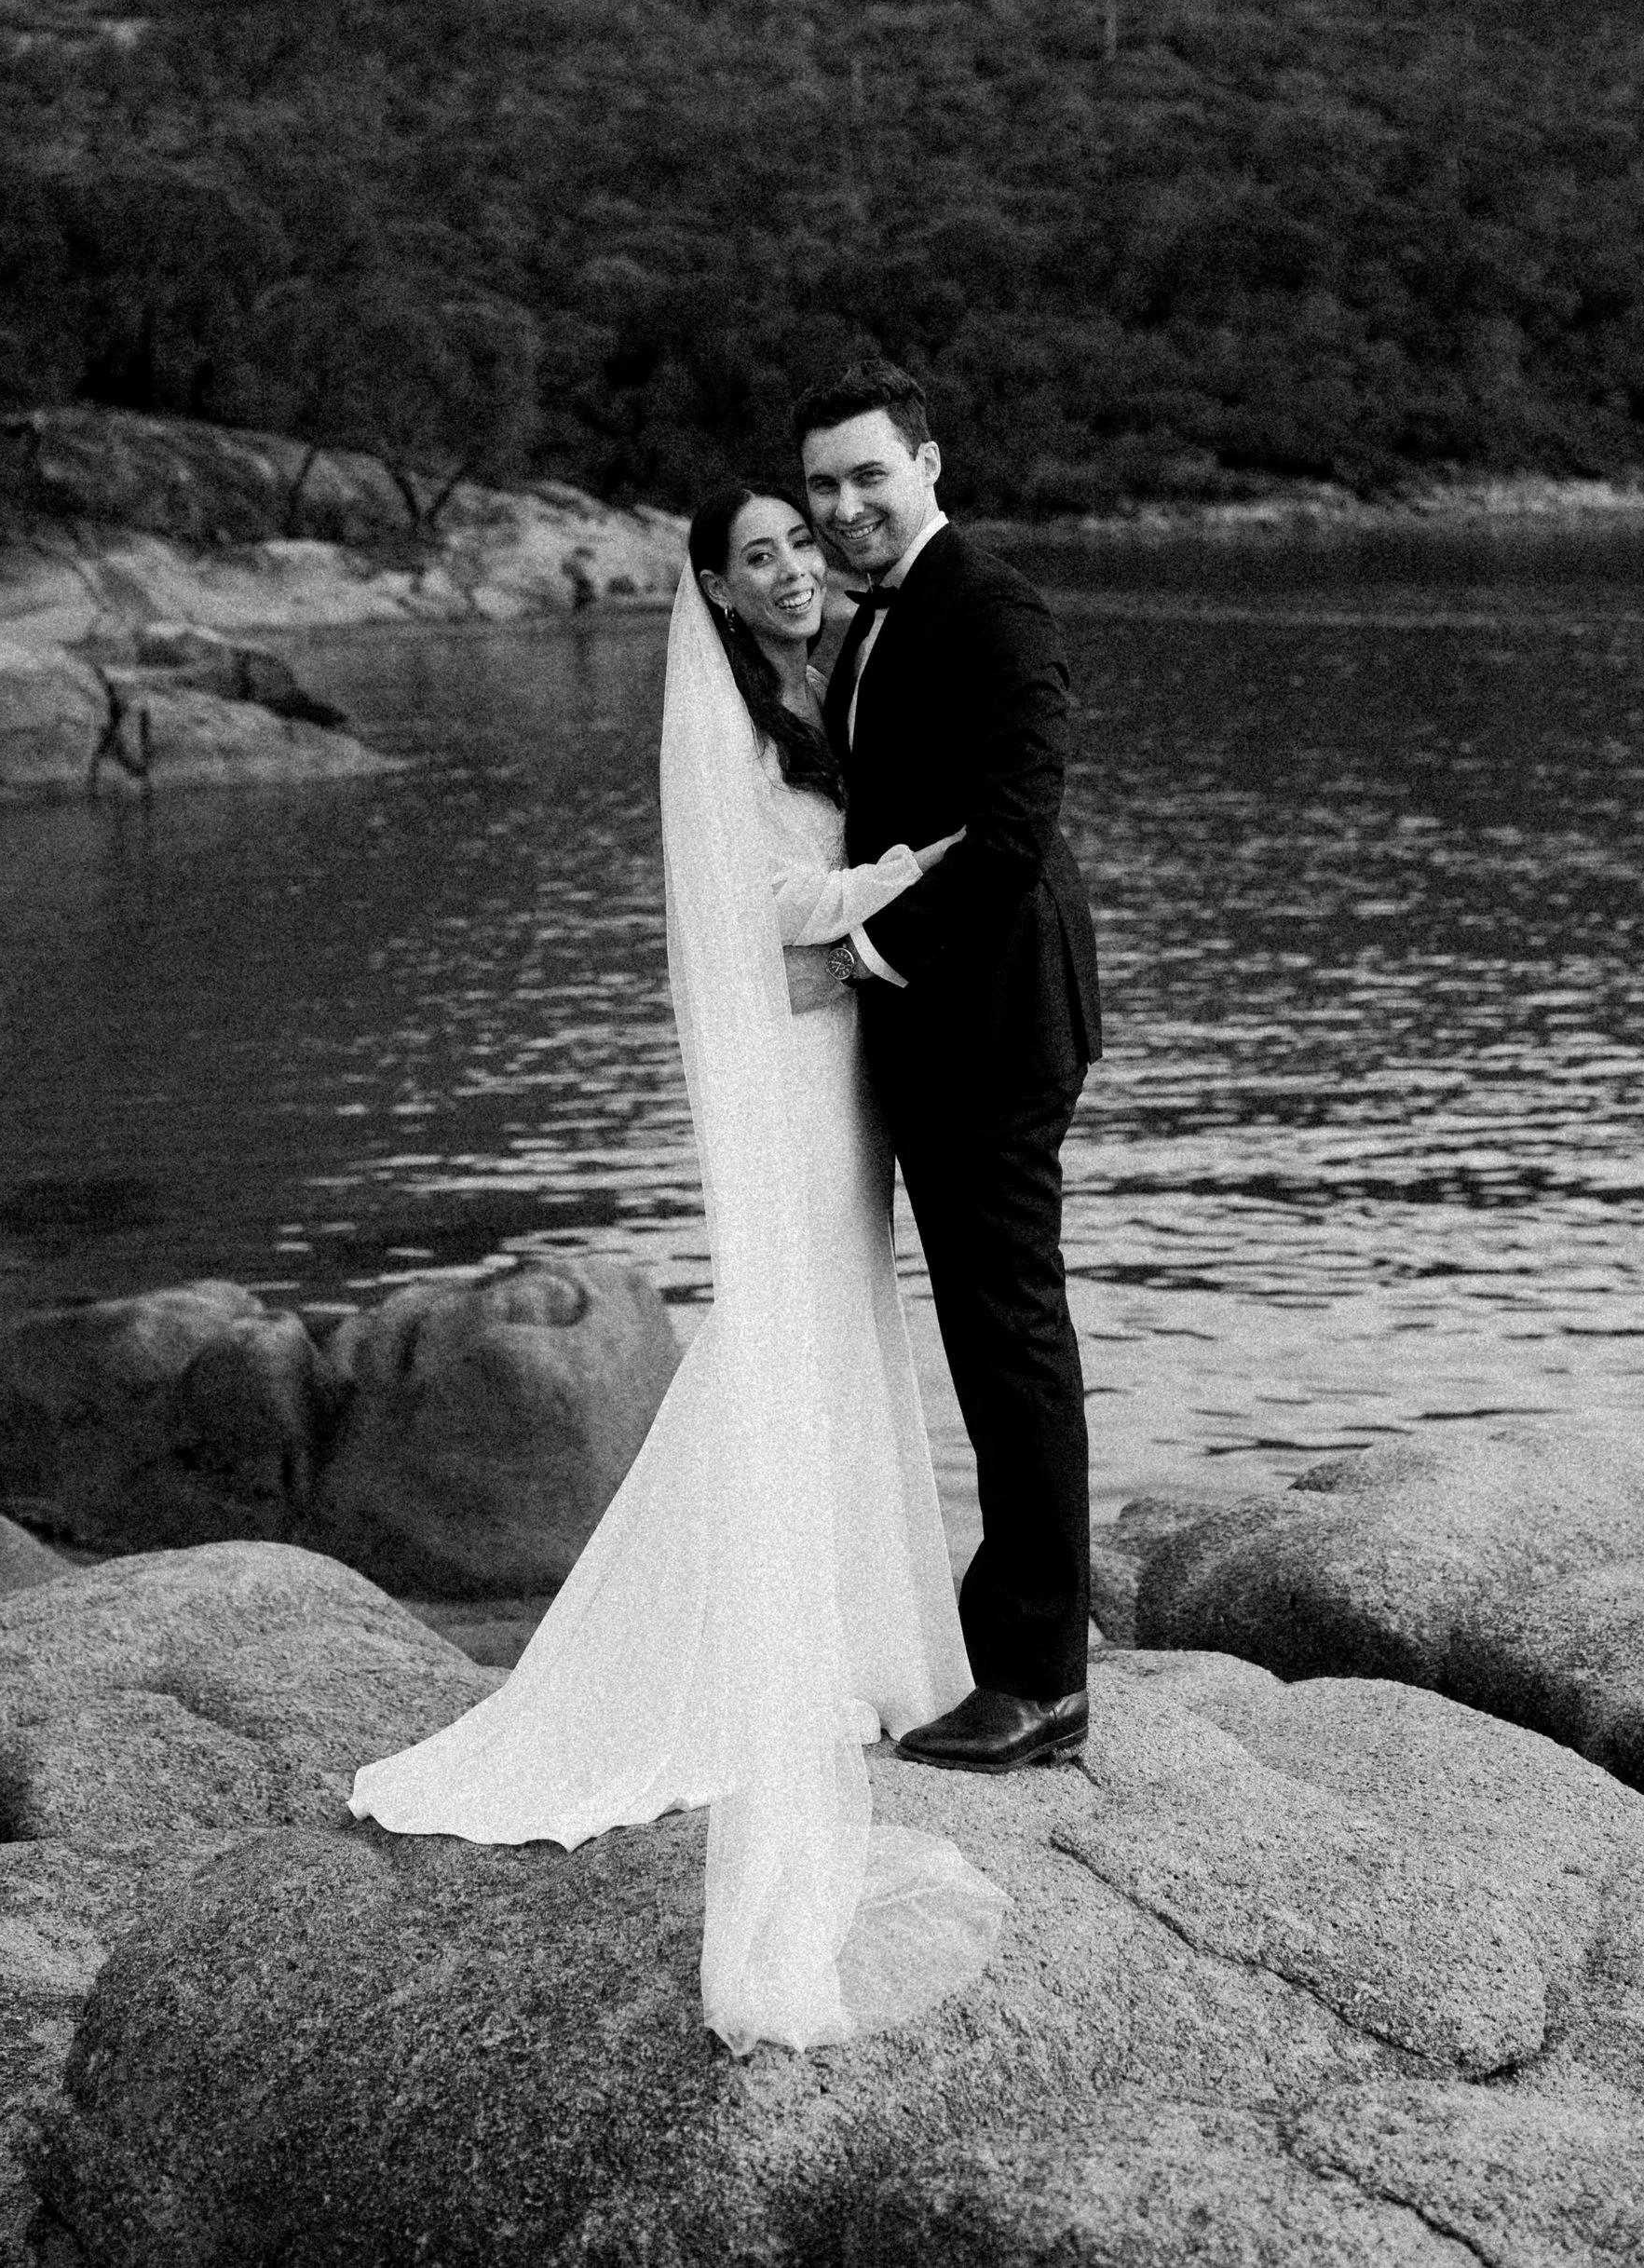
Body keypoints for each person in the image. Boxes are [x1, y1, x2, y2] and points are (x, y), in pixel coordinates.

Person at [350, 484, 1004, 2056]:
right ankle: (761, 1653)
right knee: (779, 1340)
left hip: (848, 1051)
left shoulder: (836, 670)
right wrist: (907, 873)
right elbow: (752, 905)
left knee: (841, 1331)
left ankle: (856, 1636)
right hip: (794, 1069)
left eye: (802, 545)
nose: (791, 570)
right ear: (713, 586)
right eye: (759, 557)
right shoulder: (723, 724)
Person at [795, 363, 1102, 1772]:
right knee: (985, 1327)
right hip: (933, 1019)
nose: (846, 504)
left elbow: (1011, 832)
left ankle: (1042, 1672)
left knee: (1007, 1330)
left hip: (991, 1018)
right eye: (822, 486)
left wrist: (860, 953)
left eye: (870, 473)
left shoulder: (993, 606)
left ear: (930, 464)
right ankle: (998, 1628)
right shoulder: (874, 625)